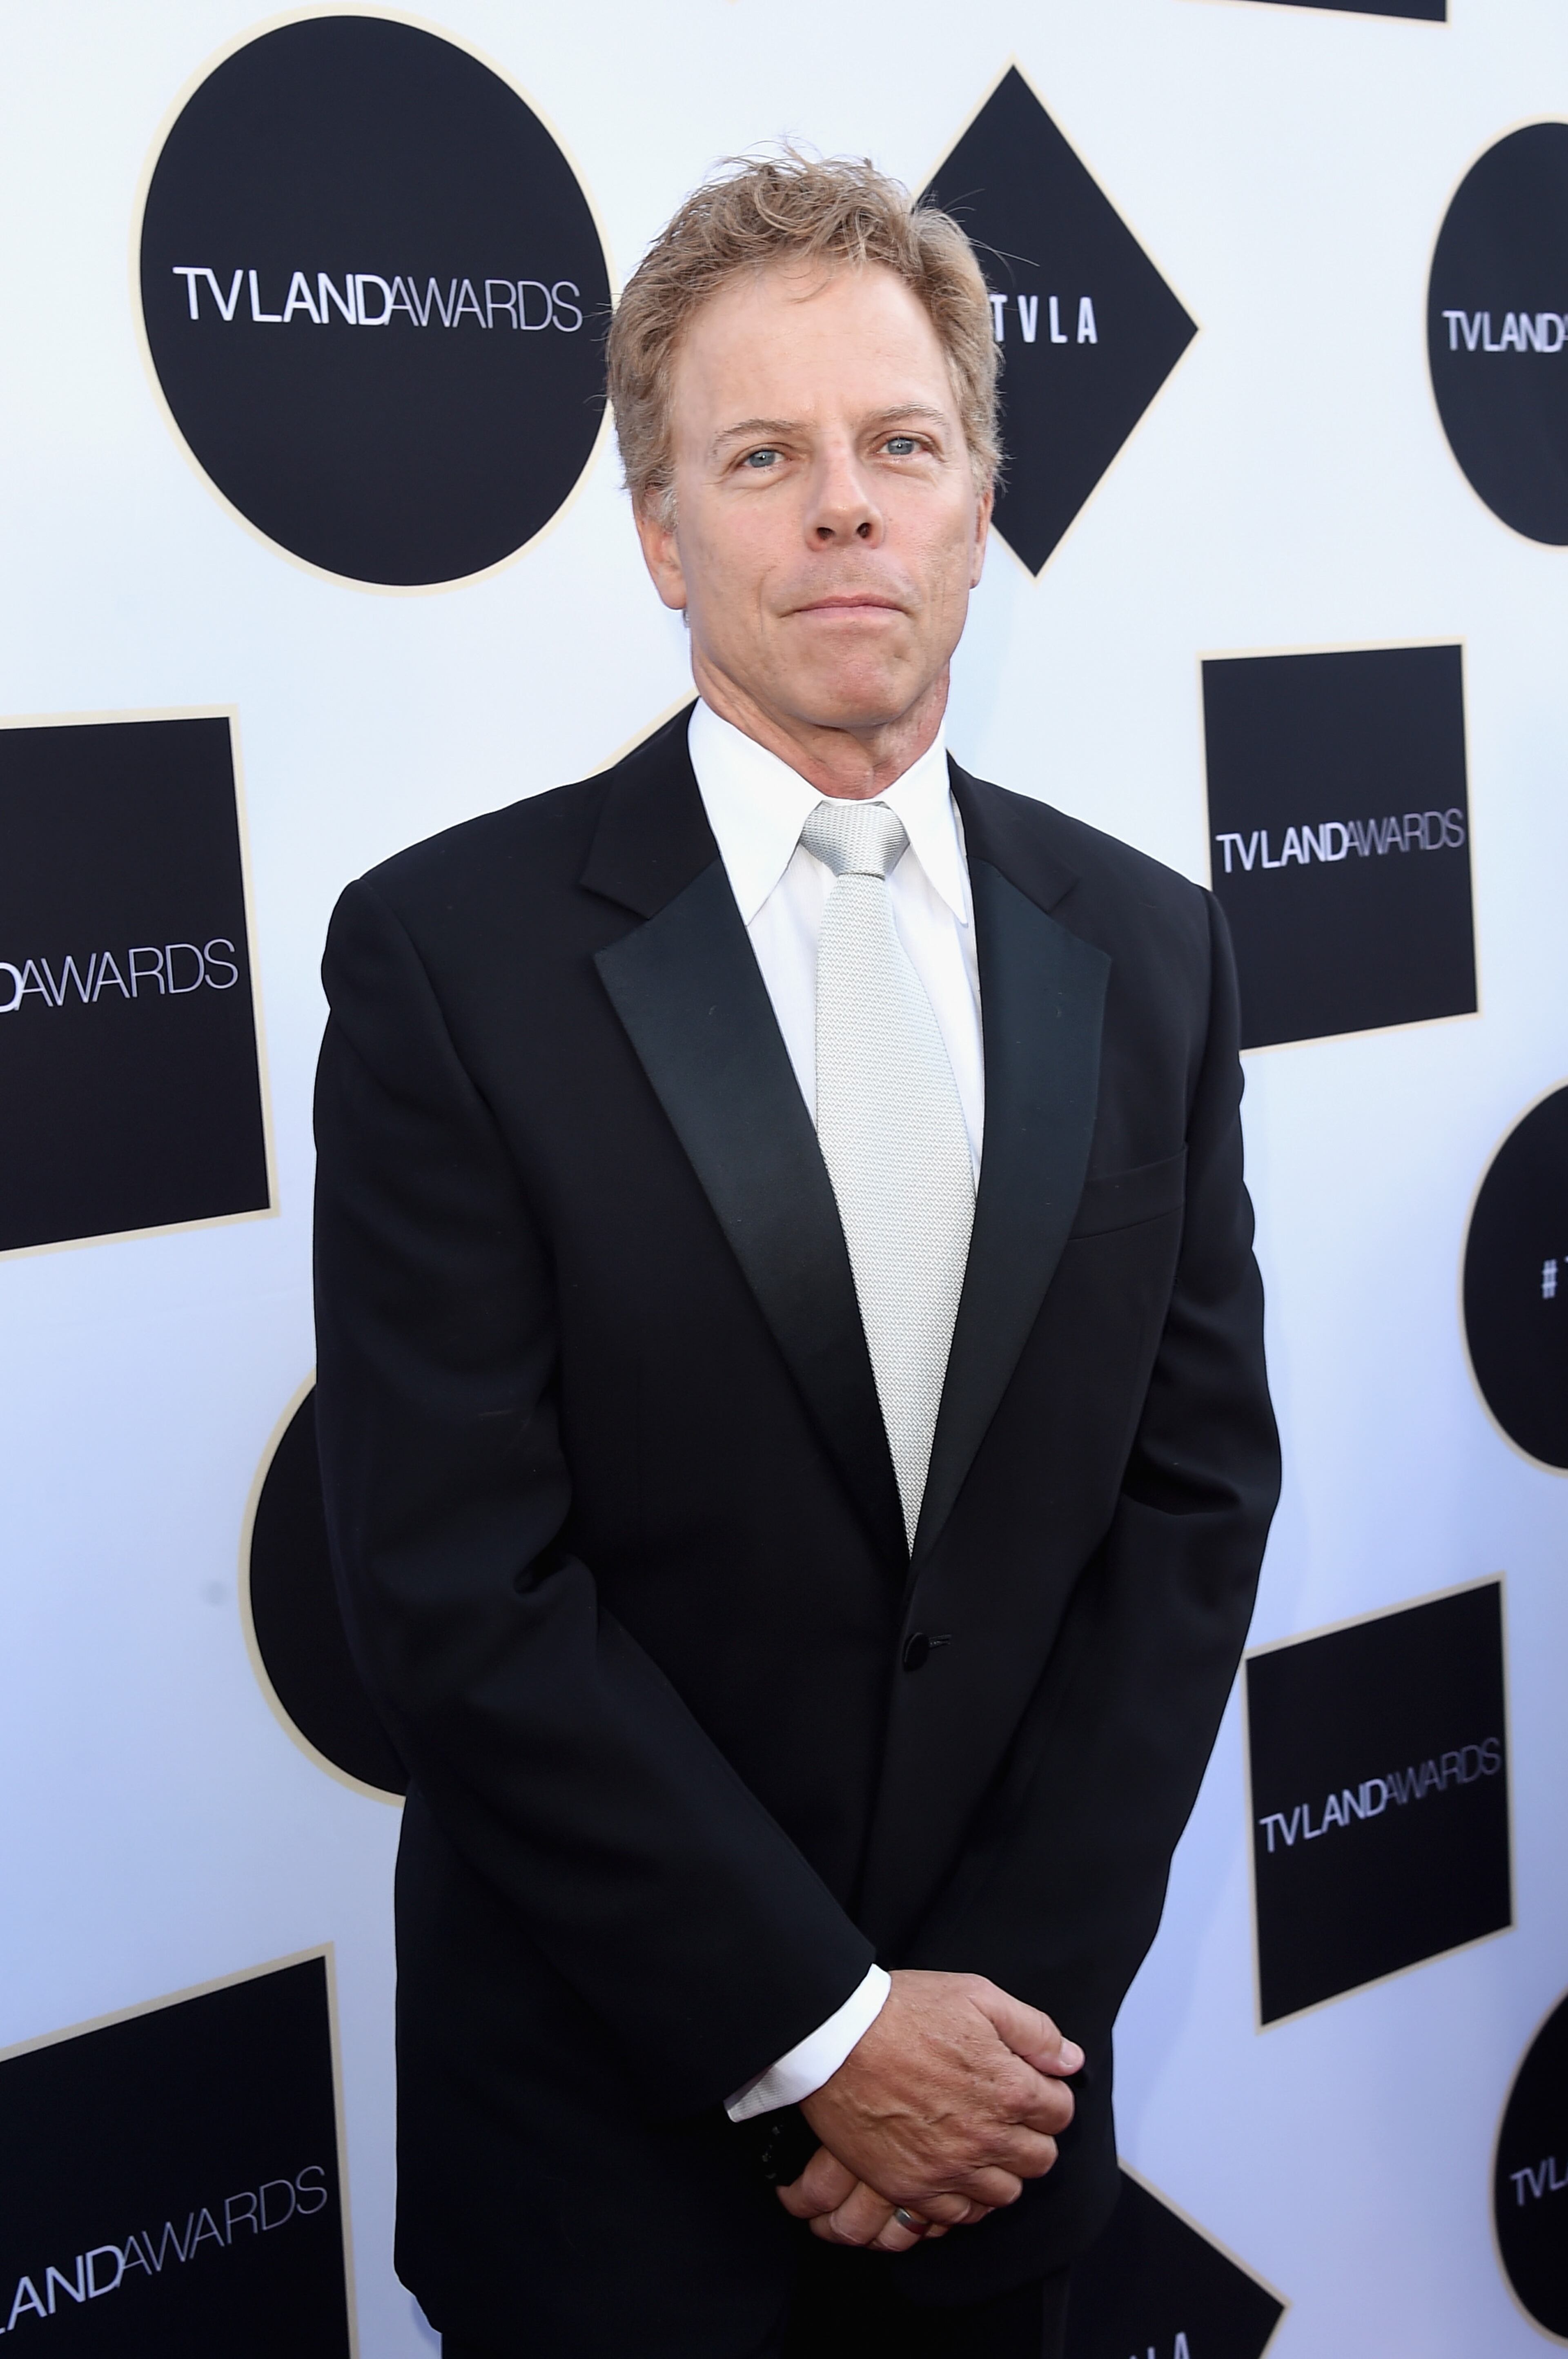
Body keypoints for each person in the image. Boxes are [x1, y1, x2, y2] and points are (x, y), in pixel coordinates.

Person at [312, 153, 1280, 2359]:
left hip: (1006, 2160)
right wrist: (820, 2028)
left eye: (900, 446)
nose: (844, 506)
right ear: (665, 535)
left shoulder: (1151, 943)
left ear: (976, 508)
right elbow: (461, 1592)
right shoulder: (450, 962)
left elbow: (1192, 1497)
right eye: (765, 455)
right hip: (609, 2182)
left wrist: (986, 2039)